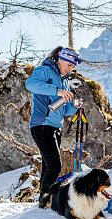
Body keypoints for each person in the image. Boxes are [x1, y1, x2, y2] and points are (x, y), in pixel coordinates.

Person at [25, 46, 82, 207]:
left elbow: (65, 110)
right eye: (69, 65)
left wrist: (74, 106)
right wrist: (56, 91)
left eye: (73, 66)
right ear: (61, 59)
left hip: (55, 128)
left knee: (48, 166)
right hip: (41, 124)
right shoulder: (45, 70)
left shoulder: (65, 81)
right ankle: (44, 202)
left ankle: (43, 200)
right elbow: (30, 84)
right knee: (55, 166)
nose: (71, 68)